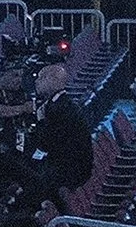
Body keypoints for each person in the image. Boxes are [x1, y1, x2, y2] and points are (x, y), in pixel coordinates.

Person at [24, 64, 93, 208]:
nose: (36, 82)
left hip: (68, 169)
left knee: (29, 183)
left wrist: (40, 123)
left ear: (52, 80)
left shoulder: (59, 108)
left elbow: (48, 142)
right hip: (66, 164)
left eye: (40, 78)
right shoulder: (60, 104)